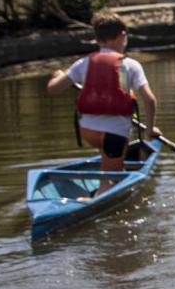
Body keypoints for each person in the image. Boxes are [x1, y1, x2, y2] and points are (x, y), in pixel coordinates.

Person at [44, 11, 161, 196]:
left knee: (112, 160)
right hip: (115, 133)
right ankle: (99, 193)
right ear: (122, 36)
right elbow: (149, 99)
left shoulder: (83, 63)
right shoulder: (130, 65)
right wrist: (150, 129)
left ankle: (112, 166)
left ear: (97, 39)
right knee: (108, 179)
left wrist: (58, 75)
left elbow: (52, 89)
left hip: (88, 131)